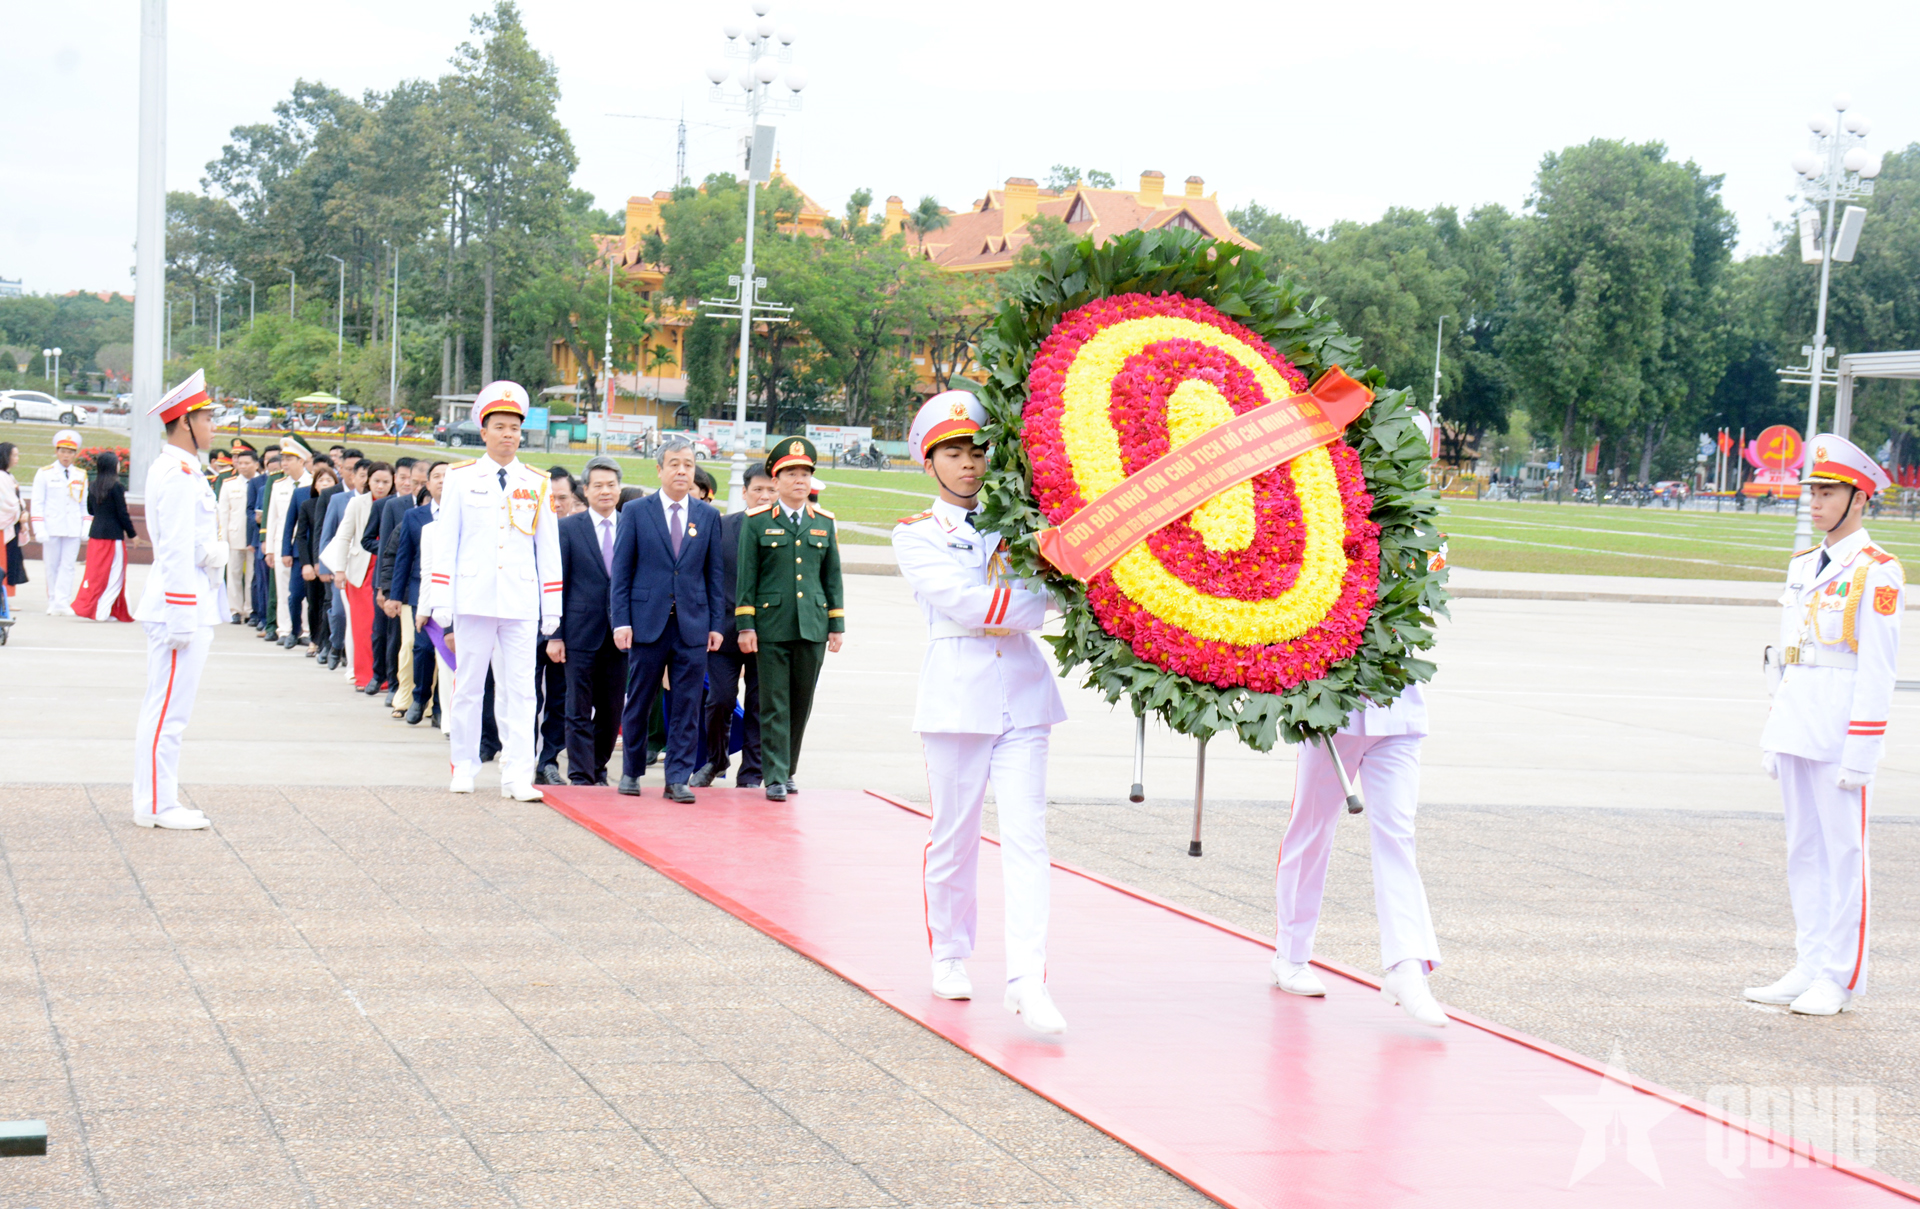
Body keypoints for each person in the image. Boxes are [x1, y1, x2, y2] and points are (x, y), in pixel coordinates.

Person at [892, 392, 1066, 1033]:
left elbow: (1056, 595)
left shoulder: (1020, 525)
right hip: (957, 697)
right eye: (954, 452)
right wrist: (1025, 605)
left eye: (978, 451)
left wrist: (1029, 603)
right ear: (929, 462)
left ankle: (1028, 978)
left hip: (1022, 694)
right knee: (956, 835)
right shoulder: (914, 534)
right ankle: (951, 953)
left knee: (1027, 838)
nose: (970, 464)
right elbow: (967, 604)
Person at [1751, 434, 1902, 1017]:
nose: (1814, 501)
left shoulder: (1878, 572)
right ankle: (1809, 961)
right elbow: (1787, 655)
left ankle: (1840, 976)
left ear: (1858, 498)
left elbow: (1878, 670)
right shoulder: (1801, 565)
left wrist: (1862, 751)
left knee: (1845, 853)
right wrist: (1775, 729)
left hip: (1841, 728)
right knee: (1804, 850)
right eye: (1811, 490)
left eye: (1828, 491)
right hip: (1798, 721)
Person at [424, 381, 563, 800]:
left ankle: (518, 774)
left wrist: (551, 604)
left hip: (520, 601)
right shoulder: (463, 479)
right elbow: (446, 541)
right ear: (483, 432)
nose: (508, 435)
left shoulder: (536, 482)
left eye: (514, 428)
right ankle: (463, 766)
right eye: (499, 427)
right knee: (468, 685)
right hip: (473, 597)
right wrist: (440, 599)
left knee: (522, 690)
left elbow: (548, 548)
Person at [131, 370, 227, 829]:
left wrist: (209, 551)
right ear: (186, 422)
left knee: (171, 710)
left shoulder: (186, 470)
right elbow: (170, 550)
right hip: (178, 608)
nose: (213, 426)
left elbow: (187, 542)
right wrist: (181, 615)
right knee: (168, 711)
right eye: (207, 418)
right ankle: (157, 805)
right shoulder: (175, 472)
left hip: (187, 603)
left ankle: (158, 800)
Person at [610, 435, 725, 801]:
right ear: (659, 469)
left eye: (688, 465)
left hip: (691, 624)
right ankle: (631, 771)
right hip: (646, 623)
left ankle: (677, 777)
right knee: (640, 700)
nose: (681, 471)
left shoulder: (707, 516)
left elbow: (714, 575)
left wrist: (715, 625)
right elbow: (622, 572)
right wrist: (621, 621)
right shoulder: (636, 511)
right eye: (674, 464)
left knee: (687, 705)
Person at [735, 437, 845, 803]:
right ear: (776, 480)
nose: (800, 480)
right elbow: (746, 577)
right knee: (774, 702)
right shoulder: (757, 522)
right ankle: (775, 775)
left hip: (812, 624)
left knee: (801, 702)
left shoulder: (825, 522)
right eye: (791, 474)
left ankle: (789, 769)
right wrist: (746, 625)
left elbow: (832, 578)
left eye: (805, 474)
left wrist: (836, 624)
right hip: (771, 626)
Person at [691, 467, 776, 789]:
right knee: (720, 700)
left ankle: (752, 773)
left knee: (759, 705)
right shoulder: (723, 527)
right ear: (744, 492)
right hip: (723, 632)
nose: (764, 496)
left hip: (767, 635)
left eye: (771, 489)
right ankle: (716, 759)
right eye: (758, 489)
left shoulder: (784, 531)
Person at [550, 456, 626, 786]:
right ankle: (581, 776)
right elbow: (557, 584)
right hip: (579, 633)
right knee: (577, 709)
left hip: (622, 635)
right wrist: (555, 635)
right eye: (598, 486)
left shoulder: (632, 525)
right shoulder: (567, 529)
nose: (605, 491)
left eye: (611, 485)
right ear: (586, 489)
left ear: (619, 489)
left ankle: (597, 767)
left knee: (611, 712)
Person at [320, 461, 391, 691]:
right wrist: (340, 570)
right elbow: (343, 536)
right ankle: (363, 675)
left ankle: (386, 675)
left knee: (384, 628)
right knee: (362, 627)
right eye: (376, 481)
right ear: (368, 481)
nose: (380, 486)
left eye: (385, 482)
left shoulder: (396, 503)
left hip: (387, 568)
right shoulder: (357, 503)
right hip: (361, 569)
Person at [388, 461, 448, 726]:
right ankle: (419, 697)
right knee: (421, 647)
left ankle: (439, 707)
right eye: (437, 476)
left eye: (448, 476)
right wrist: (394, 594)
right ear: (428, 483)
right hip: (419, 590)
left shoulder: (465, 514)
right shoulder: (415, 516)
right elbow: (403, 558)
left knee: (446, 652)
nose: (442, 481)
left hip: (451, 594)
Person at [72, 451, 140, 623]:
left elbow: (90, 510)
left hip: (96, 535)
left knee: (97, 574)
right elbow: (122, 514)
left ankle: (102, 609)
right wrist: (133, 534)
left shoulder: (93, 486)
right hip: (113, 537)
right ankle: (102, 611)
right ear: (113, 466)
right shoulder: (116, 487)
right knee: (115, 575)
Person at [30, 428, 90, 615]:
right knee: (51, 565)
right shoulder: (44, 473)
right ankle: (53, 601)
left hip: (72, 526)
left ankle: (63, 601)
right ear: (56, 452)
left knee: (68, 566)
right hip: (51, 526)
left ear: (75, 454)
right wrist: (39, 528)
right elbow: (37, 503)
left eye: (70, 452)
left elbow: (84, 504)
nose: (66, 455)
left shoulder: (80, 474)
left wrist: (86, 524)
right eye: (63, 451)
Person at [270, 436, 316, 648]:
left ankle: (305, 630)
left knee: (304, 592)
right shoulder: (278, 485)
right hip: (283, 544)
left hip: (305, 547)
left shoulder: (312, 484)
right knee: (283, 590)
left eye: (290, 458)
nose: (284, 463)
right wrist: (271, 548)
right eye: (283, 458)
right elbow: (274, 520)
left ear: (301, 461)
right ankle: (285, 629)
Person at [292, 462, 338, 659]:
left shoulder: (339, 502)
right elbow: (302, 536)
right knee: (314, 602)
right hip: (313, 559)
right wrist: (307, 564)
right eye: (321, 480)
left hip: (334, 561)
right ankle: (314, 639)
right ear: (315, 484)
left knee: (331, 603)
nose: (325, 483)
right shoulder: (307, 505)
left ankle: (329, 642)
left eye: (329, 480)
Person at [217, 441, 259, 624]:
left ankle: (250, 609)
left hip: (254, 537)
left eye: (247, 463)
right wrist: (222, 540)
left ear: (256, 464)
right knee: (234, 574)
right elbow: (223, 514)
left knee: (252, 575)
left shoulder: (262, 482)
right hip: (234, 535)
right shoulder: (228, 484)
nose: (242, 466)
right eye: (240, 463)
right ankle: (235, 609)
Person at [0, 442, 22, 633]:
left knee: (8, 562)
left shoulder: (8, 476)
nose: (17, 458)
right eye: (14, 455)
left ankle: (6, 597)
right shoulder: (2, 477)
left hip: (8, 525)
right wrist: (18, 509)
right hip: (3, 525)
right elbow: (8, 503)